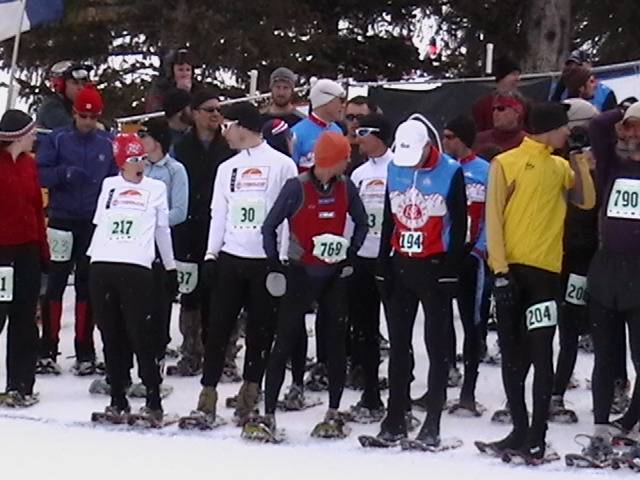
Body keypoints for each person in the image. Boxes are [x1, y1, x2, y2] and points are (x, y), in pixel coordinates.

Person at [480, 102, 595, 462]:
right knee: (513, 355)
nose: (568, 133)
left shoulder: (561, 166)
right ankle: (520, 429)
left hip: (546, 275)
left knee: (541, 354)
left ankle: (536, 437)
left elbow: (586, 200)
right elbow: (493, 218)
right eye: (564, 128)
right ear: (550, 128)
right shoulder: (506, 162)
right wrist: (499, 271)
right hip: (512, 271)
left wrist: (578, 159)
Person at [242, 131, 368, 441]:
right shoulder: (296, 187)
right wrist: (275, 263)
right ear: (333, 159)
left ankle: (334, 410)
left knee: (336, 342)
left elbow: (362, 222)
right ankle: (269, 413)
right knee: (283, 341)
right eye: (345, 157)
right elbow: (269, 225)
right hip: (300, 273)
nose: (348, 162)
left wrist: (349, 255)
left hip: (333, 276)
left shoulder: (346, 187)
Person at [186, 102, 298, 427]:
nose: (224, 132)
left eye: (228, 126)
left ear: (243, 127)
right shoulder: (227, 168)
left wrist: (281, 258)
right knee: (218, 328)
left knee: (260, 331)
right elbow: (218, 213)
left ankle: (250, 393)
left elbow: (288, 216)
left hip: (265, 260)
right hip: (231, 258)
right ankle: (207, 394)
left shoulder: (282, 165)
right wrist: (211, 254)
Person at [373, 114, 467, 447]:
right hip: (401, 264)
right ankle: (395, 416)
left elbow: (460, 222)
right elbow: (389, 217)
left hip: (434, 264)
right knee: (399, 344)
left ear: (428, 146)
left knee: (435, 345)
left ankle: (433, 421)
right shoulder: (394, 168)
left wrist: (452, 268)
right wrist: (383, 261)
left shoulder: (451, 171)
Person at [88, 133, 177, 424]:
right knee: (110, 334)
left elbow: (162, 230)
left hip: (137, 267)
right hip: (103, 264)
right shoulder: (109, 186)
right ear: (120, 163)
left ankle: (153, 400)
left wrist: (170, 266)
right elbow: (100, 223)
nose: (139, 165)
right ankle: (117, 398)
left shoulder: (156, 188)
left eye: (142, 159)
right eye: (132, 159)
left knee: (141, 334)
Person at [572, 102, 640, 459]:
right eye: (627, 127)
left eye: (637, 128)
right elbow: (598, 126)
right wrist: (622, 111)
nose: (630, 134)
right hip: (607, 269)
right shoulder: (613, 166)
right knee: (604, 355)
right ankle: (600, 427)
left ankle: (633, 421)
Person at [36, 84, 118, 375]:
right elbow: (40, 173)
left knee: (87, 285)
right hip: (62, 219)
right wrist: (63, 174)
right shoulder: (58, 139)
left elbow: (115, 180)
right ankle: (47, 348)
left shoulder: (106, 143)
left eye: (93, 117)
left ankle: (85, 349)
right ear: (74, 113)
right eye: (83, 116)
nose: (87, 122)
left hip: (91, 223)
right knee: (55, 283)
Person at [171, 89, 234, 376]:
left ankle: (223, 354)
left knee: (222, 294)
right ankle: (191, 352)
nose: (215, 115)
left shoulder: (229, 145)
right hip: (188, 229)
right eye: (209, 109)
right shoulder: (181, 147)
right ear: (195, 113)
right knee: (190, 292)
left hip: (220, 229)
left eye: (218, 109)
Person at [548, 98, 600, 424]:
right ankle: (548, 392)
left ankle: (557, 392)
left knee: (571, 328)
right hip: (550, 257)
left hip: (582, 260)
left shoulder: (602, 164)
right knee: (546, 329)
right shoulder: (551, 161)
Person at [441, 115, 489, 416]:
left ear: (464, 138)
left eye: (450, 137)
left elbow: (494, 212)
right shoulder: (443, 169)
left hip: (472, 255)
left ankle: (469, 389)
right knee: (441, 318)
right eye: (444, 136)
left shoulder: (485, 170)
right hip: (445, 254)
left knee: (472, 322)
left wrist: (482, 248)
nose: (445, 142)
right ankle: (445, 374)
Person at [347, 113, 394, 421]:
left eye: (364, 131)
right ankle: (370, 392)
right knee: (364, 328)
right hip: (362, 257)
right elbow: (350, 215)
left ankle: (401, 393)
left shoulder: (398, 167)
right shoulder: (358, 173)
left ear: (380, 135)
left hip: (390, 259)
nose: (358, 137)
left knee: (398, 329)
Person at [0, 110, 48, 407]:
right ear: (18, 136)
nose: (34, 137)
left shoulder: (30, 165)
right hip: (1, 253)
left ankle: (21, 384)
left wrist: (44, 250)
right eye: (31, 132)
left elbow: (36, 209)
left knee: (25, 319)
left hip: (27, 251)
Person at [141, 118, 189, 363]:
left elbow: (180, 211)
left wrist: (152, 222)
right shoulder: (138, 166)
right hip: (138, 243)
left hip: (163, 243)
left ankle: (159, 346)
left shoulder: (175, 170)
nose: (141, 141)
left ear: (158, 140)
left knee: (160, 297)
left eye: (145, 136)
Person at [291, 78, 345, 171]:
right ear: (326, 101)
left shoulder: (338, 131)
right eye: (341, 100)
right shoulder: (296, 133)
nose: (343, 106)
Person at [551, 50, 618, 112]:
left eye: (578, 65)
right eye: (570, 65)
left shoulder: (606, 93)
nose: (573, 68)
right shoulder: (563, 86)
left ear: (589, 65)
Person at [37, 61, 92, 131]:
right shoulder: (51, 107)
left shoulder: (76, 108)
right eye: (75, 83)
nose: (81, 88)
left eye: (84, 84)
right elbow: (73, 131)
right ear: (61, 86)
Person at [472, 56, 521, 132]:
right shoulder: (482, 105)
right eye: (514, 74)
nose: (518, 78)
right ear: (502, 77)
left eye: (518, 74)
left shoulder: (524, 104)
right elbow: (478, 134)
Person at [145, 48, 199, 113]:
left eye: (188, 70)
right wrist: (179, 93)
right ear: (172, 71)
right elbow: (155, 110)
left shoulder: (197, 88)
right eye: (180, 70)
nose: (184, 74)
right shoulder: (161, 88)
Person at [344, 96, 380, 174]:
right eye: (350, 117)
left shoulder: (378, 149)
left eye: (360, 117)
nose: (355, 121)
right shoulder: (336, 146)